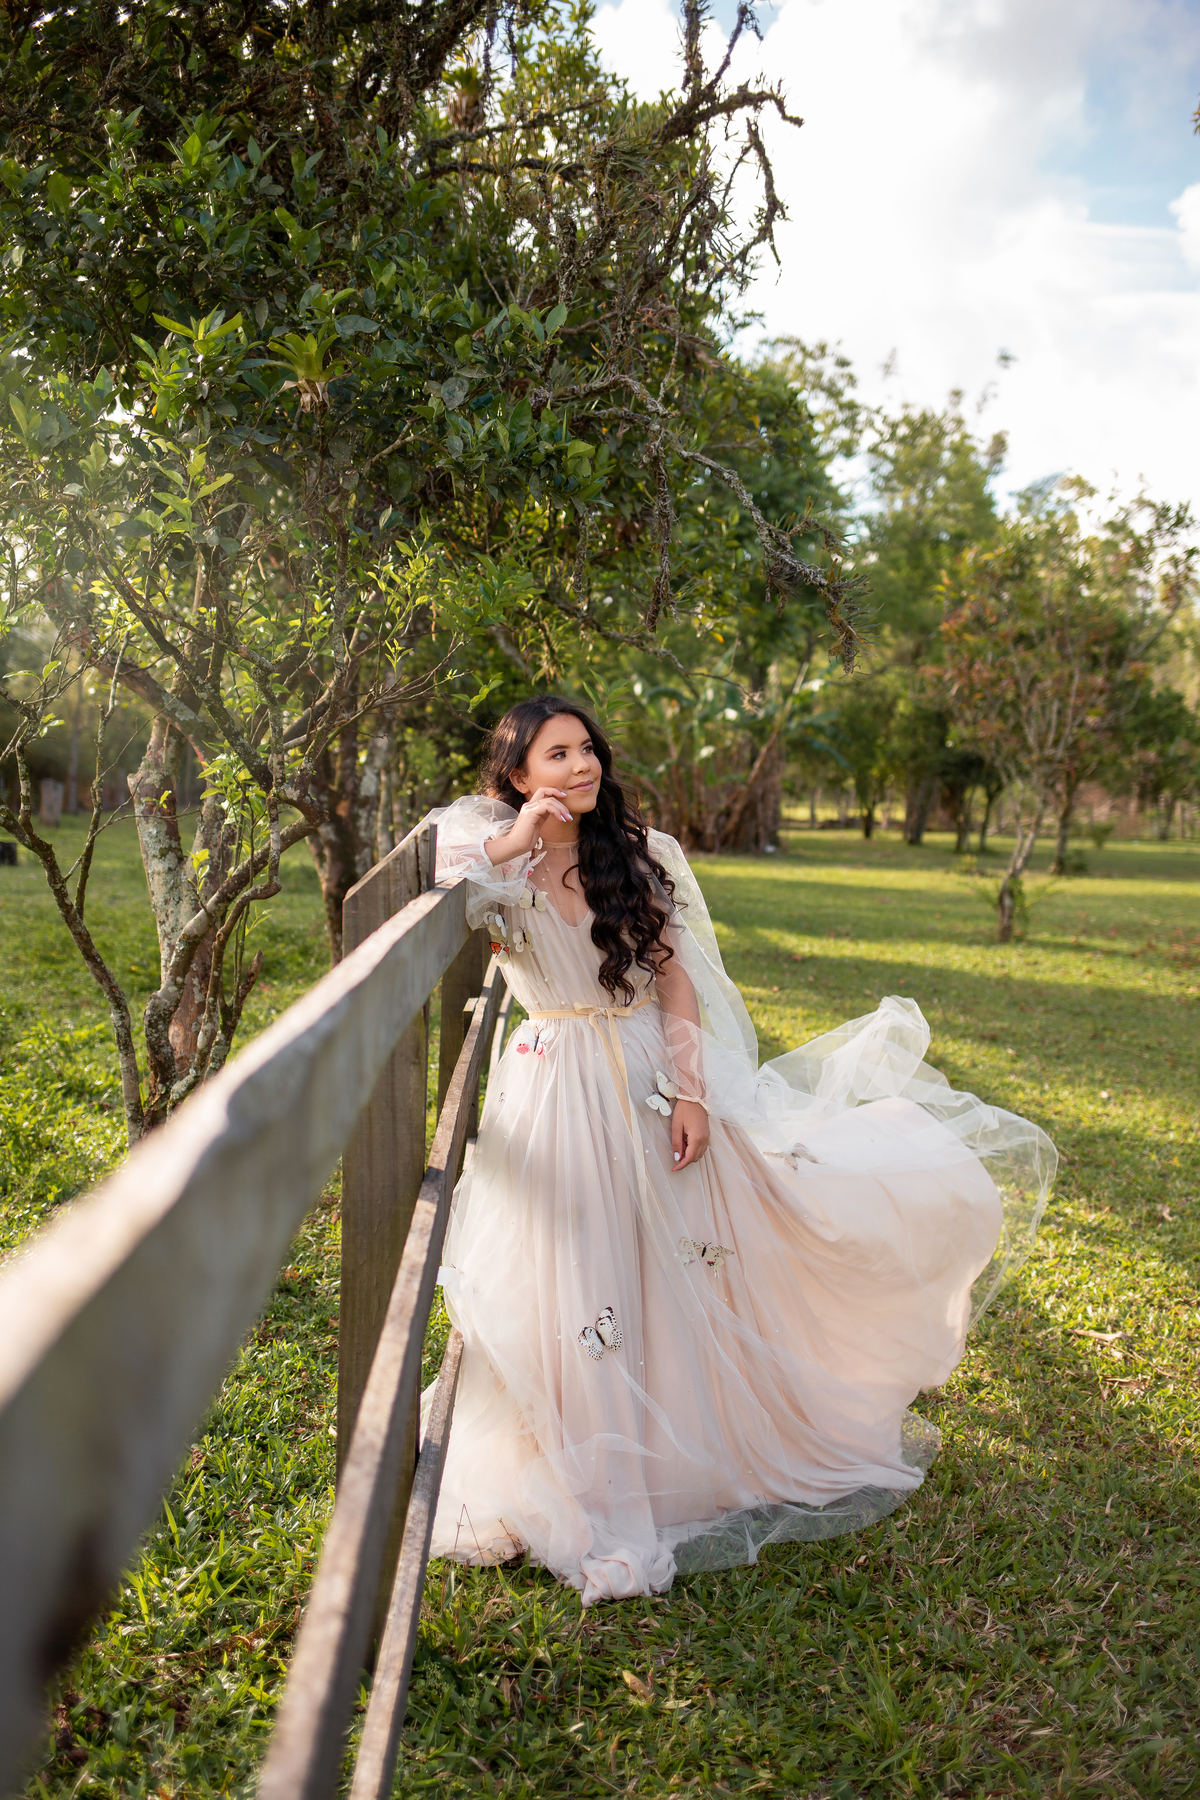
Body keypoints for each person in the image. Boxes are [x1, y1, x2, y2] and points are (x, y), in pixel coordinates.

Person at [421, 696, 1055, 1606]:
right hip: (555, 1084)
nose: (581, 766)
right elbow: (426, 878)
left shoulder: (640, 855)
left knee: (684, 1257)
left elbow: (676, 984)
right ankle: (577, 1464)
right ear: (518, 775)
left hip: (645, 1074)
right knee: (573, 1267)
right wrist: (518, 838)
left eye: (588, 749)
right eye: (556, 755)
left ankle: (682, 1456)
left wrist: (691, 1094)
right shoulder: (490, 854)